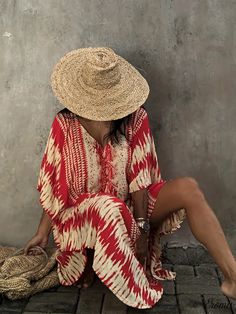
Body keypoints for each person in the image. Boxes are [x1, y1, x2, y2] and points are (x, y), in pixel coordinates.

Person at [23, 47, 236, 309]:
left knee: (188, 189)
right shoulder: (64, 125)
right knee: (107, 206)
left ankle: (233, 278)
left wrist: (142, 230)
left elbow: (140, 178)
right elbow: (56, 186)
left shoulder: (135, 118)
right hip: (83, 216)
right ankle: (120, 277)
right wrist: (42, 233)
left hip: (130, 211)